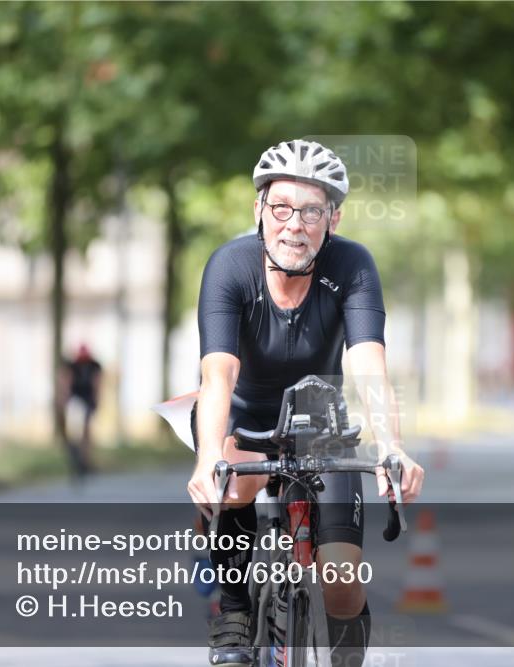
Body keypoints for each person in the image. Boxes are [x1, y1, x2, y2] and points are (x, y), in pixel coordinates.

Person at [188, 139, 425, 667]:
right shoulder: (230, 266)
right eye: (281, 208)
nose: (294, 224)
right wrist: (209, 458)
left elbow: (367, 363)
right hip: (243, 418)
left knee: (341, 580)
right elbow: (218, 372)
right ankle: (233, 611)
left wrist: (392, 446)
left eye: (311, 210)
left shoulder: (354, 265)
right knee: (235, 479)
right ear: (259, 211)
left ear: (332, 219)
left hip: (321, 423)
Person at [58, 343, 103, 472]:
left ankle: (85, 460)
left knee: (87, 431)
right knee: (76, 429)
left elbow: (97, 383)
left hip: (88, 399)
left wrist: (96, 401)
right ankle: (76, 456)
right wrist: (64, 400)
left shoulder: (95, 366)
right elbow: (66, 382)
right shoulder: (71, 366)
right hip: (75, 399)